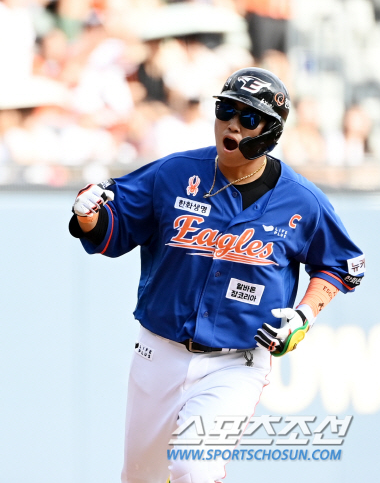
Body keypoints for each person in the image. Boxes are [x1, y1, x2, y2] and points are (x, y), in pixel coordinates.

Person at [69, 67, 364, 483]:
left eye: (248, 117)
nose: (231, 122)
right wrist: (88, 216)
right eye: (226, 109)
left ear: (271, 131)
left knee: (195, 468)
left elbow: (343, 264)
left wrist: (304, 315)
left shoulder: (302, 200)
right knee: (139, 478)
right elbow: (112, 227)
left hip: (237, 363)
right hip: (159, 351)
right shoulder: (172, 173)